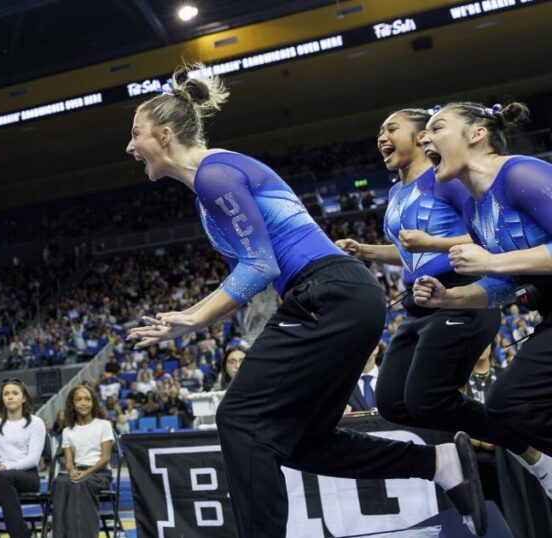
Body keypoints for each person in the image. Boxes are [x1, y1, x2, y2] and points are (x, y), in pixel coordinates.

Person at [124, 65, 487, 536]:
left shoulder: (215, 174)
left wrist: (191, 319)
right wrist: (192, 317)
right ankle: (438, 462)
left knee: (239, 418)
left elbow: (259, 266)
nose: (130, 147)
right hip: (338, 296)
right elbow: (260, 265)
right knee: (301, 442)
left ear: (166, 134)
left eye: (136, 134)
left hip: (328, 294)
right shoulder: (210, 181)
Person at [336, 107, 539, 462]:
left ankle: (524, 452)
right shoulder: (402, 196)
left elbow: (483, 241)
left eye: (391, 128)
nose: (381, 137)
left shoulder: (463, 180)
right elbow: (412, 253)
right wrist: (364, 249)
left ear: (420, 137)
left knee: (430, 398)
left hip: (461, 286)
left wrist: (436, 245)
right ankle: (486, 445)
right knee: (394, 403)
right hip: (427, 301)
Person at [413, 101, 552, 492]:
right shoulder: (475, 210)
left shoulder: (521, 172)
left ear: (477, 134)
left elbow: (500, 266)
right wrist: (450, 299)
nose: (425, 136)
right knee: (507, 405)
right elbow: (502, 288)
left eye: (437, 127)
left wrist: (494, 260)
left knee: (511, 403)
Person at [0, 380, 45, 538]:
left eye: (15, 393)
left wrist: (6, 467)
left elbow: (33, 459)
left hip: (28, 477)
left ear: (24, 398)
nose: (10, 397)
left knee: (4, 478)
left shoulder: (35, 423)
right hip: (2, 476)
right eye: (6, 394)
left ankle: (19, 535)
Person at [50, 385, 114, 538]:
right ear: (72, 404)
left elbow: (105, 459)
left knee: (80, 485)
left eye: (87, 399)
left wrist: (85, 473)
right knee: (60, 483)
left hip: (100, 473)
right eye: (79, 399)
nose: (83, 403)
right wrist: (72, 471)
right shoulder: (67, 431)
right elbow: (69, 462)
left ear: (93, 403)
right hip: (79, 471)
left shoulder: (104, 425)